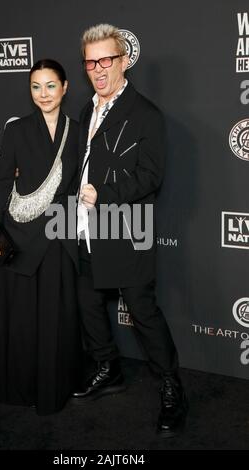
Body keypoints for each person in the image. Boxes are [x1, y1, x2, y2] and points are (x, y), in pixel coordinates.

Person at [73, 24, 188, 437]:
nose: (99, 69)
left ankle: (172, 388)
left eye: (107, 60)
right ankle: (108, 368)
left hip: (125, 226)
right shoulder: (86, 110)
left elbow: (151, 177)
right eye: (91, 62)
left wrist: (103, 193)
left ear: (123, 61)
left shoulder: (145, 114)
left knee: (143, 312)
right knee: (87, 302)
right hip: (85, 227)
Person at [0, 59, 82, 415]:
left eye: (51, 85)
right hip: (20, 235)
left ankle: (56, 387)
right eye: (36, 87)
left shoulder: (80, 130)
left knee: (56, 317)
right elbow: (2, 181)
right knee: (22, 317)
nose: (44, 94)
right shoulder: (17, 130)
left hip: (58, 236)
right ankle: (17, 386)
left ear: (65, 87)